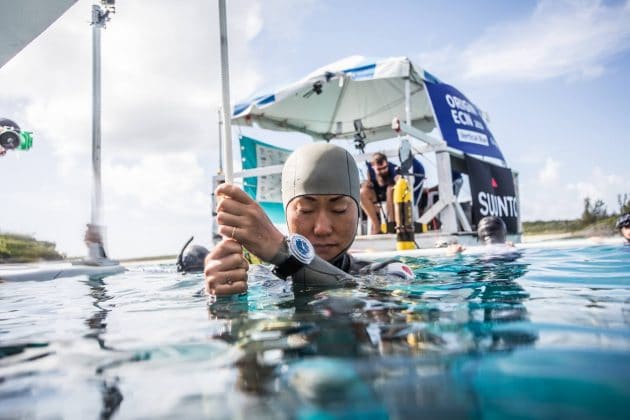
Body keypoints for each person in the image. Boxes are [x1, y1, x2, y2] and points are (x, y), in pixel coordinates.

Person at [204, 143, 413, 296]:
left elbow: (364, 295)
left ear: (358, 211)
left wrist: (286, 254)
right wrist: (223, 294)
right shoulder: (257, 279)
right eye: (305, 210)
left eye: (339, 209)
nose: (322, 228)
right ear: (287, 213)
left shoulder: (389, 273)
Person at [360, 152, 425, 235]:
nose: (383, 171)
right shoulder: (368, 168)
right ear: (373, 166)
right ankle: (376, 225)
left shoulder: (393, 168)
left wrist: (398, 180)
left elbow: (399, 182)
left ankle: (391, 225)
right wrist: (366, 183)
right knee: (362, 193)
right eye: (379, 169)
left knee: (390, 189)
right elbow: (366, 183)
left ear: (387, 163)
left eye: (385, 168)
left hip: (391, 195)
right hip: (378, 195)